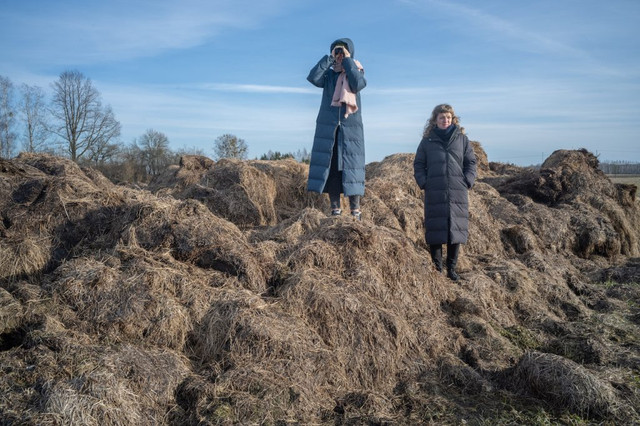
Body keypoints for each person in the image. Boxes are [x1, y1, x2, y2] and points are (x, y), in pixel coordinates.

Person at [413, 104, 477, 281]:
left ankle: (452, 268)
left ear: (453, 119)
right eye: (442, 117)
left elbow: (471, 162)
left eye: (448, 117)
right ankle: (437, 269)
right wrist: (424, 182)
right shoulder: (427, 141)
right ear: (435, 120)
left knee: (455, 229)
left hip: (458, 190)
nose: (445, 120)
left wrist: (467, 180)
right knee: (435, 229)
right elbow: (418, 164)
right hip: (435, 190)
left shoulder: (462, 140)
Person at [306, 38, 366, 220]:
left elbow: (358, 84)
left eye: (343, 52)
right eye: (337, 52)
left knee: (352, 169)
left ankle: (356, 212)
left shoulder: (356, 71)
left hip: (350, 130)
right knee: (331, 168)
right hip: (329, 128)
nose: (340, 56)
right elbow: (313, 77)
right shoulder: (329, 76)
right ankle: (335, 211)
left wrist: (348, 61)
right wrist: (329, 59)